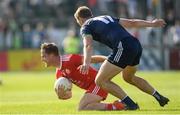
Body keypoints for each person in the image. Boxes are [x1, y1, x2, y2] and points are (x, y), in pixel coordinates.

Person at [74, 6, 169, 110]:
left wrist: (86, 63)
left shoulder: (85, 26)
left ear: (80, 19)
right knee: (129, 77)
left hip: (122, 46)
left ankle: (131, 105)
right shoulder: (106, 17)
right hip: (135, 44)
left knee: (100, 80)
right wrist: (152, 24)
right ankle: (158, 96)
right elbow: (131, 22)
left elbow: (88, 45)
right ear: (90, 15)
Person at [40, 42, 126, 111]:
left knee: (82, 107)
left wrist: (114, 61)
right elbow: (69, 95)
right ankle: (118, 105)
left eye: (44, 56)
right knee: (86, 107)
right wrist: (61, 95)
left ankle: (118, 106)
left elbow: (92, 59)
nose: (42, 59)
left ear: (51, 55)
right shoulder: (59, 73)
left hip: (98, 83)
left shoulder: (70, 59)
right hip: (91, 88)